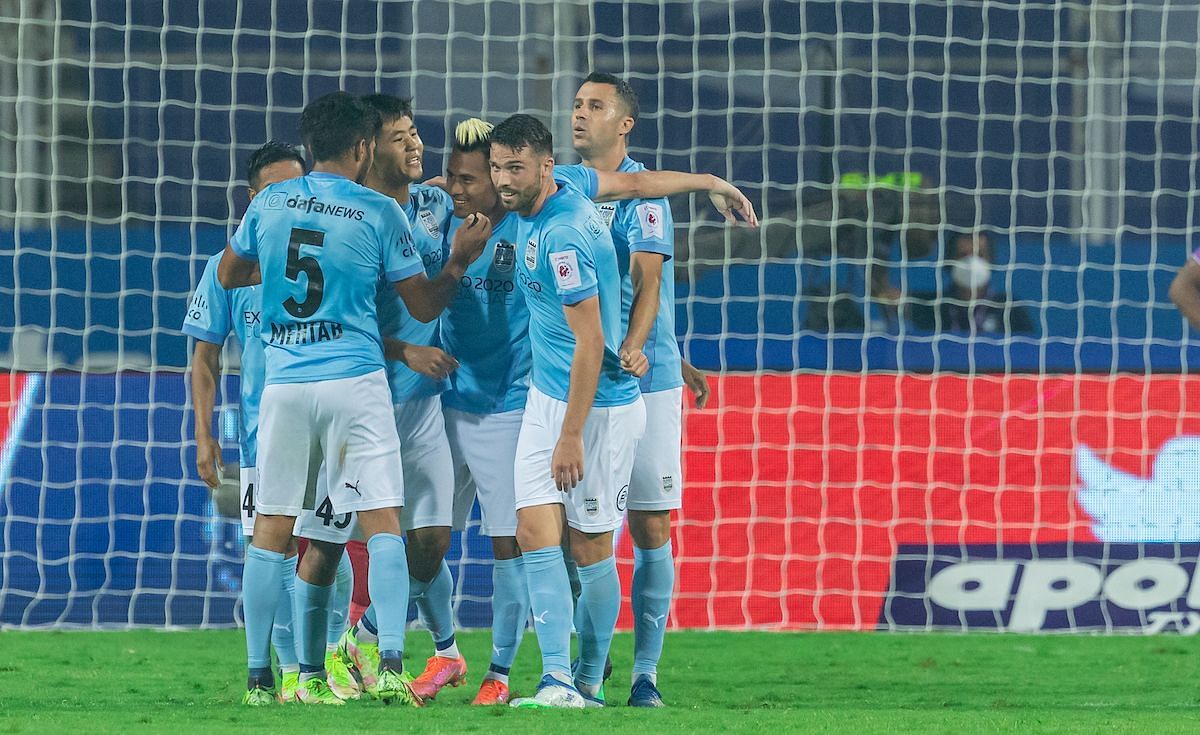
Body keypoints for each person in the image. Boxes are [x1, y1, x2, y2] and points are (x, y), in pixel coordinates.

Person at [216, 91, 490, 706]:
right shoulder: (377, 212)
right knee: (384, 522)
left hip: (286, 384)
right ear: (364, 146)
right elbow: (422, 304)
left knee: (272, 533)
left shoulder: (272, 204)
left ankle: (267, 677)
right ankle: (391, 660)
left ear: (311, 145)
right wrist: (458, 263)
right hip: (356, 381)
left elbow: (232, 273)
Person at [483, 113, 644, 709]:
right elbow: (632, 185)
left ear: (545, 167)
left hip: (596, 411)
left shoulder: (564, 236)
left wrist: (570, 435)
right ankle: (555, 679)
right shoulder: (564, 188)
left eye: (514, 168)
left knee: (591, 548)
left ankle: (590, 678)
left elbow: (591, 342)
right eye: (497, 166)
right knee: (533, 530)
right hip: (545, 398)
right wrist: (709, 182)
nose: (503, 179)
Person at [554, 71, 687, 707]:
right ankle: (590, 666)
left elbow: (648, 280)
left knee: (651, 522)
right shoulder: (569, 191)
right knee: (576, 528)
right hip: (583, 382)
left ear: (623, 123)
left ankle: (646, 674)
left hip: (647, 378)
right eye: (577, 104)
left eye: (596, 106)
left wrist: (637, 346)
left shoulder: (646, 196)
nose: (581, 114)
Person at [335, 94, 467, 703]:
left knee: (433, 539)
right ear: (367, 149)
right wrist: (406, 350)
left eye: (415, 132)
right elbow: (345, 317)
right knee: (352, 542)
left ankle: (389, 647)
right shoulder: (354, 219)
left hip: (426, 406)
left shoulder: (437, 201)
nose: (414, 144)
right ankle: (351, 650)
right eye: (398, 136)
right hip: (367, 402)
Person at [184, 140, 306, 703]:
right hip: (264, 442)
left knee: (326, 550)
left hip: (331, 436)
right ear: (252, 198)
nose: (289, 200)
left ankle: (325, 663)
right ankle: (279, 673)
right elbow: (204, 357)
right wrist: (205, 438)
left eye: (297, 188)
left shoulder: (330, 253)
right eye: (276, 191)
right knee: (273, 552)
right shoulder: (225, 269)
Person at [906, 231, 1034, 335]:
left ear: (991, 261)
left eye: (980, 255)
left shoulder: (1010, 308)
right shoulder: (928, 307)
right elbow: (890, 297)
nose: (972, 263)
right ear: (949, 261)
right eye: (963, 255)